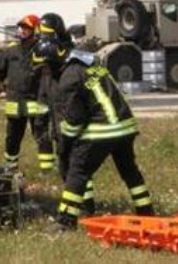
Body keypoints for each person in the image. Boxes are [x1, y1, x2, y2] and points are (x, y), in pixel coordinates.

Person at [31, 39, 155, 232]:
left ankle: (65, 222)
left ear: (54, 63)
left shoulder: (67, 79)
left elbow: (75, 120)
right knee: (130, 171)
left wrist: (65, 144)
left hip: (101, 131)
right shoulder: (88, 66)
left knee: (77, 172)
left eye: (44, 69)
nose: (44, 74)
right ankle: (147, 212)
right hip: (125, 127)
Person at [0, 14, 55, 171]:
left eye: (27, 28)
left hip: (36, 102)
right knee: (12, 138)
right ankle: (10, 167)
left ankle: (47, 168)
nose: (22, 30)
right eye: (21, 27)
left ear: (36, 30)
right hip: (15, 104)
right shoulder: (10, 51)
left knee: (41, 135)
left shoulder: (41, 51)